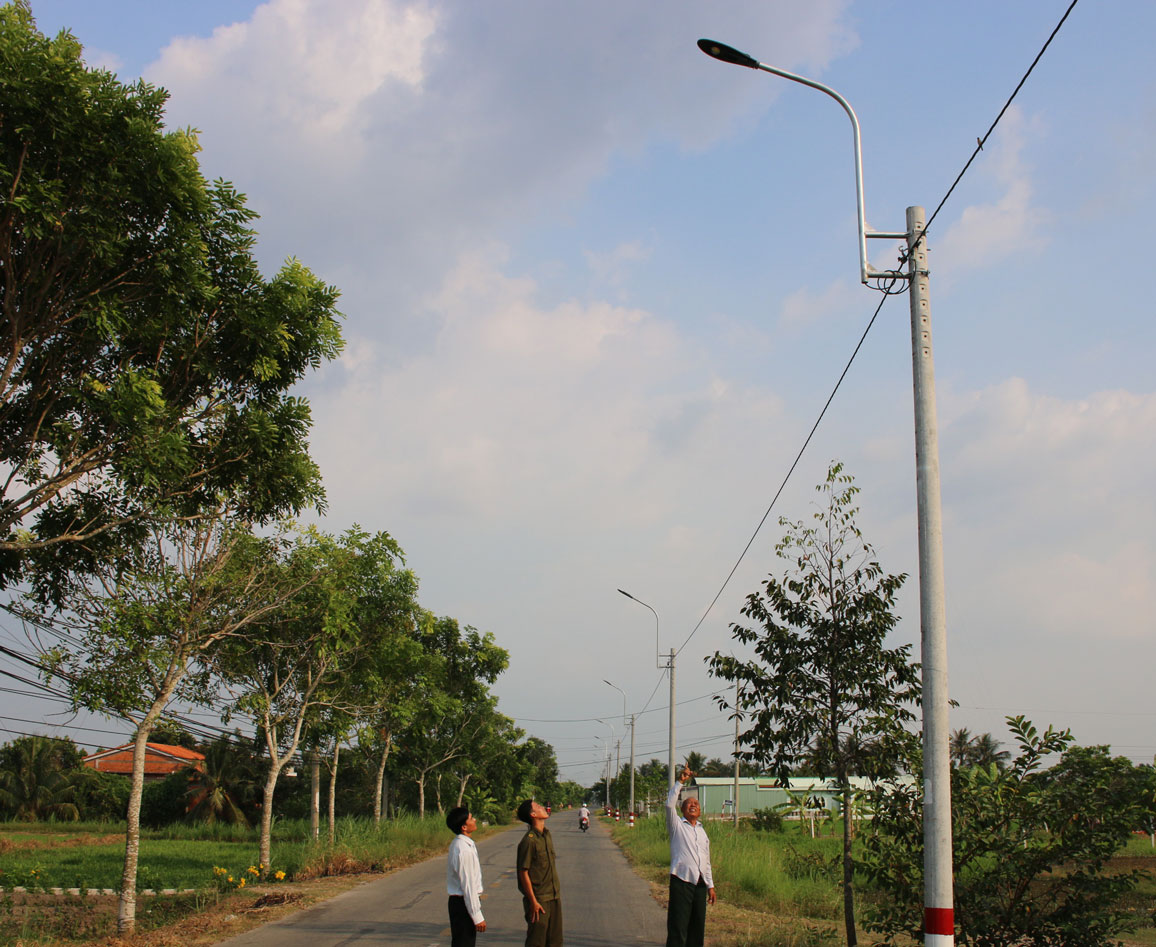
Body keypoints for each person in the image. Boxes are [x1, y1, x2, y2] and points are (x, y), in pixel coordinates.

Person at [664, 766, 715, 947]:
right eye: (689, 804)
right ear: (683, 810)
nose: (693, 805)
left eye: (696, 804)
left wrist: (711, 886)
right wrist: (681, 781)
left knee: (697, 926)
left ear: (700, 811)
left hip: (700, 884)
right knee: (678, 924)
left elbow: (706, 861)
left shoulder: (702, 832)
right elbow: (669, 805)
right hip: (682, 881)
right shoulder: (677, 826)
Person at [516, 798, 563, 946]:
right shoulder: (529, 841)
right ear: (533, 815)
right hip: (539, 900)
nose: (542, 807)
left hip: (554, 896)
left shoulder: (546, 835)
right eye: (537, 806)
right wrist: (533, 902)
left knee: (555, 941)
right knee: (537, 941)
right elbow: (523, 872)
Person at [446, 806, 486, 946]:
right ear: (464, 827)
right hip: (463, 905)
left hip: (463, 903)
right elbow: (468, 886)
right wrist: (477, 915)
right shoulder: (463, 849)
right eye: (470, 818)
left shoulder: (464, 844)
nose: (474, 820)